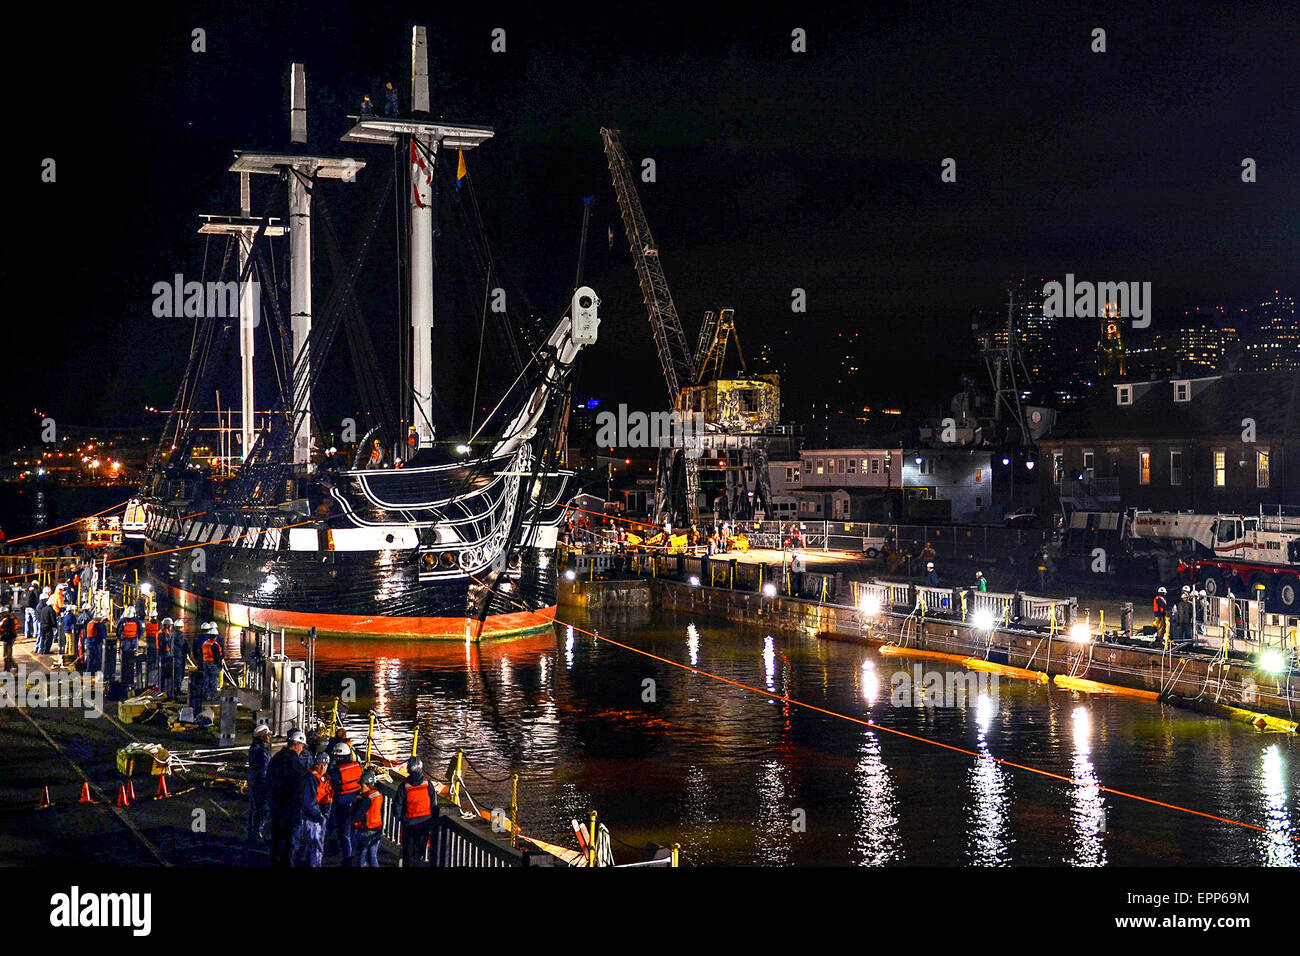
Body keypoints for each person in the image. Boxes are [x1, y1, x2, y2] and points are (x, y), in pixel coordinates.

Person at [267, 728, 308, 867]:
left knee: (276, 836)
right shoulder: (296, 764)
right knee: (289, 838)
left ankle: (275, 861)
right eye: (302, 746)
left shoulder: (276, 758)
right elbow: (300, 788)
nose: (302, 749)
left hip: (275, 805)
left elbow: (269, 779)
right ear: (296, 745)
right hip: (290, 808)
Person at [394, 757, 438, 867]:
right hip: (425, 823)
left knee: (408, 854)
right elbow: (434, 804)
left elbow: (397, 805)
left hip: (409, 824)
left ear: (408, 770)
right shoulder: (427, 784)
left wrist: (401, 819)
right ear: (421, 769)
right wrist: (433, 820)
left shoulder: (404, 786)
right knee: (419, 853)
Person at [294, 750, 333, 867]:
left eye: (325, 764)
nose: (323, 767)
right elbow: (309, 800)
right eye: (320, 764)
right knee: (316, 844)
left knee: (308, 843)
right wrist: (319, 816)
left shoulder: (322, 777)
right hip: (314, 817)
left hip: (318, 814)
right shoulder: (311, 778)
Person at [327, 741, 363, 865]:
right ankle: (354, 856)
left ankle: (346, 859)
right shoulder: (357, 766)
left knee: (344, 833)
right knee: (354, 832)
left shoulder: (336, 772)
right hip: (357, 803)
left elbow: (330, 786)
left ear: (338, 757)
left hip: (342, 804)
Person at [247, 723, 272, 847]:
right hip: (260, 784)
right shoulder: (261, 751)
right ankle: (257, 835)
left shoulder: (255, 748)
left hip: (254, 782)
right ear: (261, 737)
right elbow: (264, 769)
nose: (269, 737)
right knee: (262, 809)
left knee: (254, 809)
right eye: (267, 735)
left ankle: (252, 834)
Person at [352, 769, 384, 866]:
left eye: (362, 785)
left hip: (366, 830)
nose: (360, 788)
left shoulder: (366, 799)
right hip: (377, 829)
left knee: (361, 857)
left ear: (368, 785)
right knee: (373, 856)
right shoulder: (378, 795)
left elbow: (358, 815)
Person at [198, 622, 223, 703]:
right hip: (213, 664)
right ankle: (213, 696)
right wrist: (220, 666)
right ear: (215, 636)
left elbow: (201, 654)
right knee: (214, 680)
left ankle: (207, 695)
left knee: (206, 679)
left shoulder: (205, 643)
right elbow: (217, 657)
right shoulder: (214, 645)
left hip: (205, 663)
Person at [117, 608, 141, 690]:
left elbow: (118, 631)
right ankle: (131, 680)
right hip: (133, 645)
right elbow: (140, 631)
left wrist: (121, 640)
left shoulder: (122, 621)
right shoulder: (136, 621)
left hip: (125, 645)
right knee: (132, 663)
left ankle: (124, 680)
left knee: (124, 663)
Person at [84, 613, 106, 677]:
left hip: (89, 642)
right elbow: (103, 635)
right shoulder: (100, 625)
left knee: (90, 658)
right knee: (98, 658)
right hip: (96, 643)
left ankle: (88, 672)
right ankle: (97, 672)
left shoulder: (90, 623)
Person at [37, 590, 58, 655]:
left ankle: (42, 650)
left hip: (42, 625)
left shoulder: (43, 609)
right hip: (48, 626)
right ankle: (46, 650)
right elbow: (53, 619)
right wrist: (55, 626)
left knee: (43, 638)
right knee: (48, 639)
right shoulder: (51, 610)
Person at [1, 607, 16, 673]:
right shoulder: (6, 619)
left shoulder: (8, 620)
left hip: (8, 639)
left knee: (7, 656)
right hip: (8, 639)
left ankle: (7, 670)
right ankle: (13, 667)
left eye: (1, 613)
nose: (0, 615)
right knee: (7, 656)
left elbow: (8, 632)